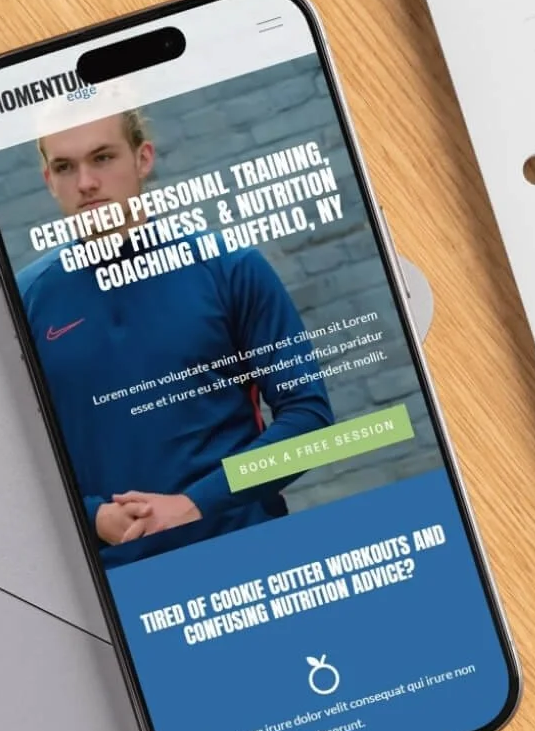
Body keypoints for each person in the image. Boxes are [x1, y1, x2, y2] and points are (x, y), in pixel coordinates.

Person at [17, 108, 334, 565]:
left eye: (103, 158)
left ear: (142, 158)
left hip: (249, 553)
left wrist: (195, 504)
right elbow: (14, 456)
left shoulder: (229, 268)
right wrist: (92, 517)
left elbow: (309, 420)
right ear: (49, 179)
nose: (86, 182)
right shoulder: (27, 299)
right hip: (118, 583)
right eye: (65, 167)